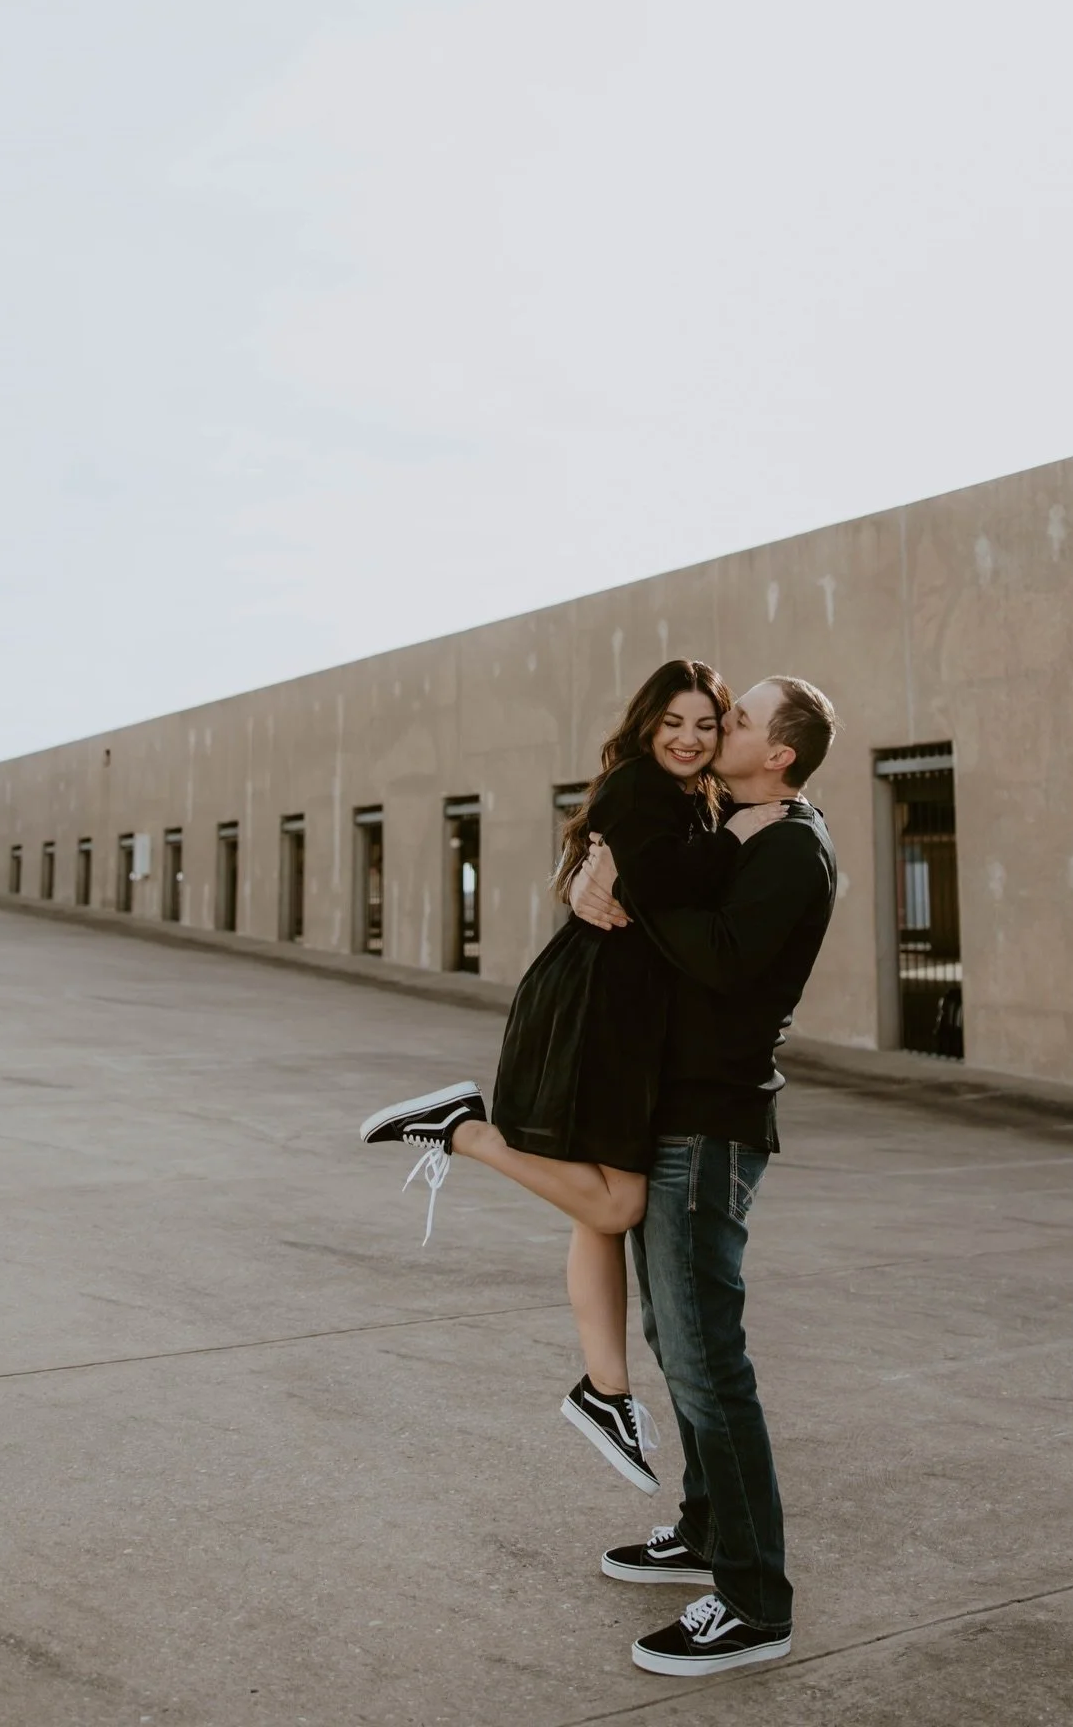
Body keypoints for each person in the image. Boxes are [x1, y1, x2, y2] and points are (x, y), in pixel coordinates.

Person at [357, 660, 786, 1491]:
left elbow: (660, 882)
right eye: (674, 722)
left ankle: (605, 1391)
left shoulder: (688, 798)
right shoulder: (637, 787)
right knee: (617, 1203)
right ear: (646, 722)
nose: (690, 739)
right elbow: (671, 887)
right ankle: (463, 1131)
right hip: (595, 1014)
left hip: (626, 1019)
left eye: (707, 725)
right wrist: (738, 837)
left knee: (598, 1210)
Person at [571, 675, 839, 1678]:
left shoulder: (792, 847)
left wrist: (630, 890)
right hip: (672, 1117)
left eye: (740, 719)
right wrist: (596, 882)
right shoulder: (733, 826)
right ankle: (705, 1531)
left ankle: (755, 1600)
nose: (720, 727)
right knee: (676, 1343)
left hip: (709, 1128)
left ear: (780, 753)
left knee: (708, 1364)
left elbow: (720, 959)